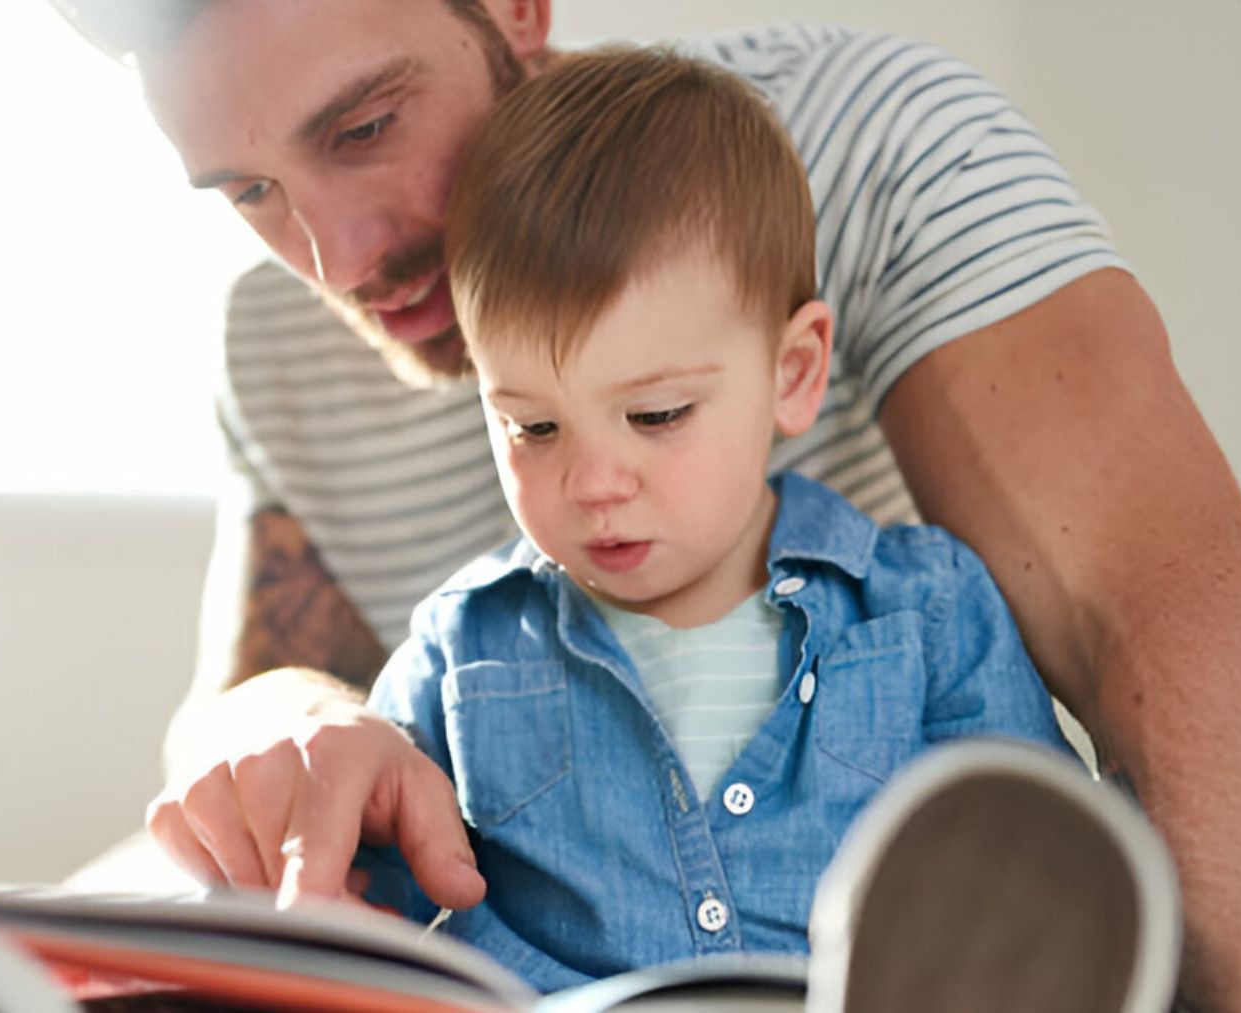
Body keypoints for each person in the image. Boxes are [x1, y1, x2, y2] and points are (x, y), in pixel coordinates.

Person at [50, 1, 1241, 1009]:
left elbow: (1173, 637)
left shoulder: (870, 147)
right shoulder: (270, 343)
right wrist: (303, 729)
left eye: (363, 129)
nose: (333, 259)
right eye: (247, 192)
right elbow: (247, 701)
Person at [343, 45, 1082, 990]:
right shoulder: (462, 649)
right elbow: (353, 928)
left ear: (793, 373)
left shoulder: (923, 612)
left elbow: (1051, 883)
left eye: (656, 416)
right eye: (532, 426)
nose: (594, 482)